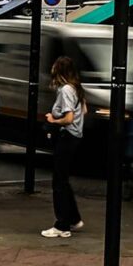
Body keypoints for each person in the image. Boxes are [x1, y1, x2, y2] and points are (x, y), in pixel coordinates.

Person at [40, 55, 85, 238]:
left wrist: (53, 119)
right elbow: (84, 110)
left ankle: (62, 225)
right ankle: (74, 218)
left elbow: (68, 118)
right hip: (76, 136)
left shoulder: (66, 89)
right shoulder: (76, 87)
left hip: (67, 137)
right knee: (63, 180)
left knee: (58, 182)